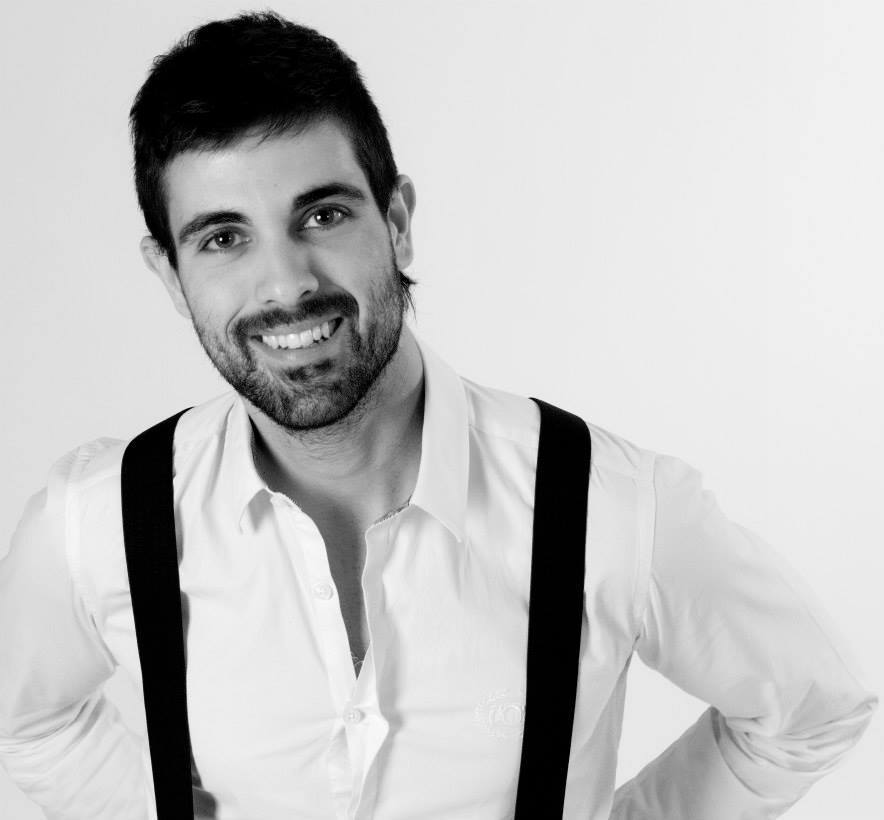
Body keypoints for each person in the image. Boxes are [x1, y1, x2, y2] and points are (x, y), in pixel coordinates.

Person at [0, 11, 876, 820]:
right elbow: (21, 719)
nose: (286, 284)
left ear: (398, 221)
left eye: (323, 214)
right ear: (169, 273)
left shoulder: (610, 507)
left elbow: (813, 708)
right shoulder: (100, 521)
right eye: (223, 238)